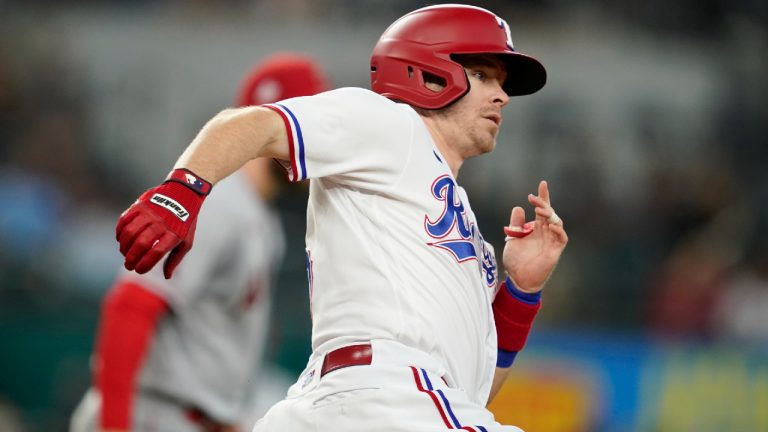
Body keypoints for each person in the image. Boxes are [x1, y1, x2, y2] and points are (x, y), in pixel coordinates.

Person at [114, 4, 568, 431]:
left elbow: (474, 392)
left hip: (377, 403)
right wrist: (182, 191)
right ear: (431, 73)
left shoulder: (466, 227)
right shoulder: (390, 125)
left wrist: (523, 292)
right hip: (386, 397)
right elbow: (252, 125)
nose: (502, 96)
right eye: (484, 75)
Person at [70, 53, 330, 432]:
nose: (321, 145)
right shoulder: (220, 203)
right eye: (312, 128)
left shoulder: (257, 217)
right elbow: (130, 307)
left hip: (187, 415)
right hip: (151, 415)